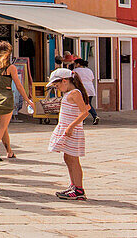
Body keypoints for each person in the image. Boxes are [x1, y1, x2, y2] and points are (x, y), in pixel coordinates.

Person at [46, 67, 90, 200]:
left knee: (73, 158)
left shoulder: (74, 93)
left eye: (57, 85)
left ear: (65, 81)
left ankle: (79, 189)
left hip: (72, 131)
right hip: (67, 130)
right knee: (68, 158)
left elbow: (84, 112)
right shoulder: (69, 94)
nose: (57, 88)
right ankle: (74, 185)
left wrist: (71, 126)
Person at [0, 42, 31, 158]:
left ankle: (9, 151)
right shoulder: (10, 68)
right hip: (6, 99)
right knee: (1, 126)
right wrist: (27, 99)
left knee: (3, 126)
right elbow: (19, 85)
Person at [72, 58, 99, 124]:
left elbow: (72, 79)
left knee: (81, 104)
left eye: (75, 64)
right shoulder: (89, 70)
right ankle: (95, 116)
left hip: (82, 89)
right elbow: (92, 79)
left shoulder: (75, 70)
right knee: (88, 103)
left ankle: (82, 119)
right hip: (90, 89)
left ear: (78, 64)